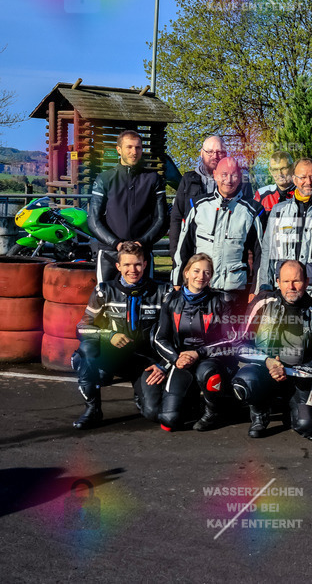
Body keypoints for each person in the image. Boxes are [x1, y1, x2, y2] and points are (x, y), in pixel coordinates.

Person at [71, 242, 173, 429]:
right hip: (114, 356)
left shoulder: (163, 292)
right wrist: (109, 335)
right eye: (126, 265)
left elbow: (174, 334)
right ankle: (92, 410)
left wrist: (164, 365)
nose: (132, 270)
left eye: (137, 264)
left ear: (145, 265)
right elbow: (82, 328)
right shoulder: (104, 290)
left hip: (146, 361)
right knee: (84, 353)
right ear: (118, 266)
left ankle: (140, 392)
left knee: (152, 413)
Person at [232, 260, 312, 440]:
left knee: (306, 426)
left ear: (307, 282)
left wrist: (287, 370)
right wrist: (268, 362)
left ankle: (291, 408)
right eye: (286, 281)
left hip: (298, 376)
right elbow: (240, 345)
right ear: (278, 282)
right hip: (264, 370)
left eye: (297, 281)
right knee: (244, 381)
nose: (291, 287)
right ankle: (259, 414)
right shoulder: (262, 303)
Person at [152, 253, 237, 432]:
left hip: (211, 359)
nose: (201, 276)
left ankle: (213, 411)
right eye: (196, 271)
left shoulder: (222, 300)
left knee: (208, 373)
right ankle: (191, 401)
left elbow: (231, 339)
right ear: (187, 273)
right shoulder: (171, 300)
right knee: (169, 421)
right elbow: (160, 338)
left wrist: (199, 352)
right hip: (182, 360)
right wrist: (176, 359)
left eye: (207, 272)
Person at [172, 157, 263, 312]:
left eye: (234, 175)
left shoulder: (253, 211)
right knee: (198, 333)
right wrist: (177, 279)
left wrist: (256, 288)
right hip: (200, 286)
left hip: (234, 290)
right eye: (224, 174)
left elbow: (261, 253)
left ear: (240, 178)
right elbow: (183, 246)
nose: (228, 180)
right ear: (215, 175)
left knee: (231, 335)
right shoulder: (198, 205)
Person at [258, 158, 312, 308]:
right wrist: (265, 285)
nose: (308, 182)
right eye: (303, 177)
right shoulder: (279, 210)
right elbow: (268, 250)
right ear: (294, 179)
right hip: (283, 290)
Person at [88, 130, 168, 282]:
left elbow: (162, 219)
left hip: (141, 254)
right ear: (119, 150)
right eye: (129, 147)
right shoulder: (105, 178)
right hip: (110, 253)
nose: (134, 152)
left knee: (143, 302)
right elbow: (93, 220)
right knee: (106, 299)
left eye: (138, 147)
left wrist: (142, 243)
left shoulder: (153, 179)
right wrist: (116, 244)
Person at [255, 150, 296, 221]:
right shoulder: (261, 194)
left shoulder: (302, 192)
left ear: (292, 167)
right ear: (270, 171)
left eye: (283, 168)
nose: (279, 174)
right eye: (275, 170)